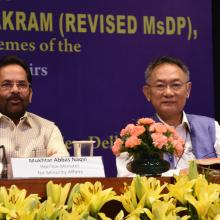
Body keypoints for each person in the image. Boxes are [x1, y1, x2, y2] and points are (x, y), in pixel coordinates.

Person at [116, 56, 220, 177]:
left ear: (188, 90)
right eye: (160, 86)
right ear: (147, 92)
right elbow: (128, 178)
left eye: (176, 85)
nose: (168, 93)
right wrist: (182, 173)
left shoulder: (211, 127)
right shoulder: (136, 136)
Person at [0, 55, 69, 178]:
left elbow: (62, 168)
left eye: (21, 85)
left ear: (30, 93)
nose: (15, 90)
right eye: (7, 84)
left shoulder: (48, 130)